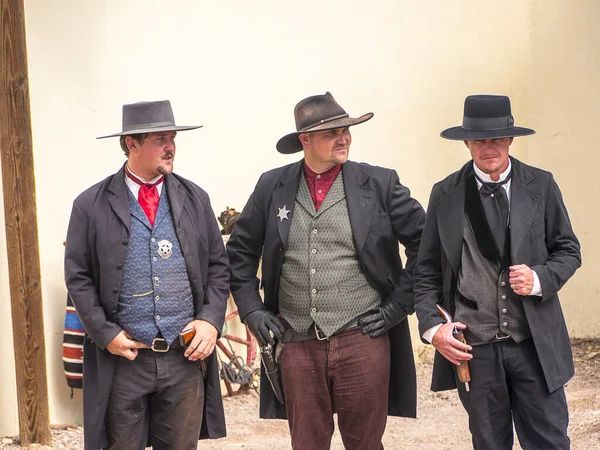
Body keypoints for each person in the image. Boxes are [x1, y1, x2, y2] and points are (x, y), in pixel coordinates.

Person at [226, 92, 426, 449]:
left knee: (365, 444)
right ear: (306, 140)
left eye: (346, 130)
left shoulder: (379, 183)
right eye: (333, 132)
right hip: (296, 343)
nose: (344, 138)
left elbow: (426, 246)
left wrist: (399, 306)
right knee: (307, 444)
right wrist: (252, 310)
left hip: (362, 338)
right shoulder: (272, 186)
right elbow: (239, 253)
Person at [414, 94, 581, 449]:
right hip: (475, 348)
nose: (488, 147)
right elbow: (426, 271)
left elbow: (568, 250)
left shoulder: (542, 185)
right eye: (479, 140)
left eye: (495, 139)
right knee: (489, 443)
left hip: (533, 343)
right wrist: (432, 328)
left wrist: (539, 279)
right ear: (467, 143)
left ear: (510, 140)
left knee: (550, 441)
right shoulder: (445, 194)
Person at [64, 100, 229, 450]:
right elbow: (77, 276)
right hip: (124, 361)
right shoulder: (89, 205)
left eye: (172, 138)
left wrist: (211, 321)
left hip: (183, 358)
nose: (170, 147)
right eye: (160, 139)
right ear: (131, 144)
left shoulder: (196, 199)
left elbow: (218, 266)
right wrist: (106, 333)